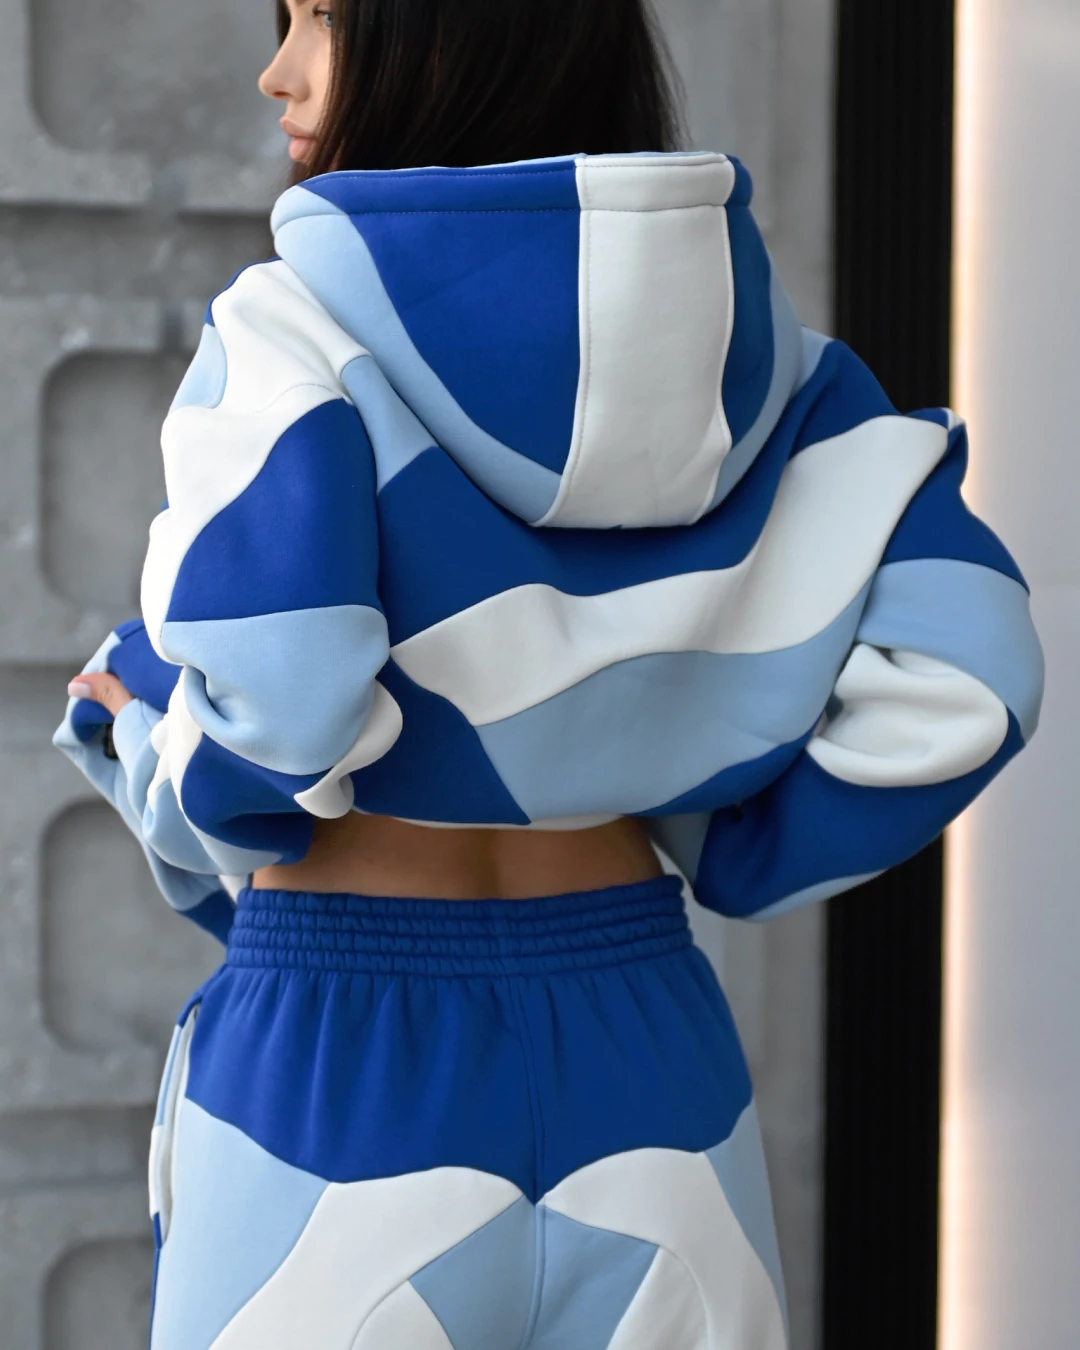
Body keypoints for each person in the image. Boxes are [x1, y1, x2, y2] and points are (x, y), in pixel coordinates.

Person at [54, 0, 1044, 1345]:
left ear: (454, 32)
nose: (276, 72)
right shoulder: (777, 371)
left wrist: (146, 744)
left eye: (320, 18)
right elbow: (968, 669)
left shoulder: (290, 329)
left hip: (338, 1070)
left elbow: (281, 708)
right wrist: (706, 808)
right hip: (649, 1052)